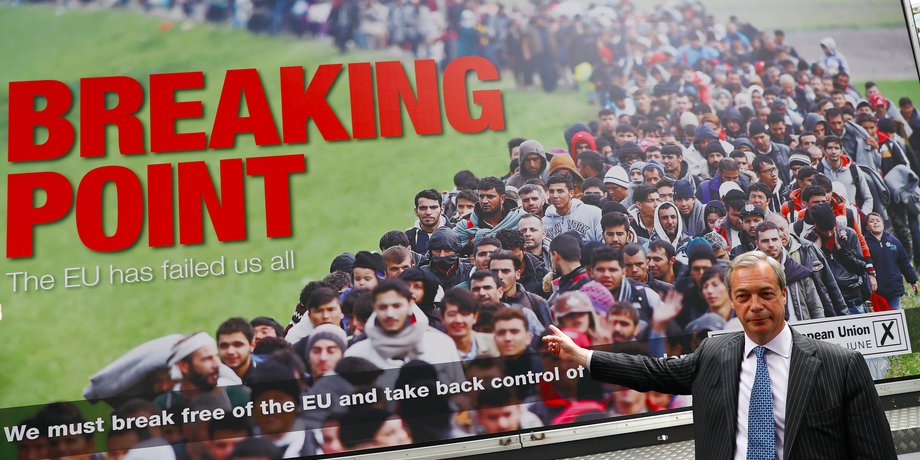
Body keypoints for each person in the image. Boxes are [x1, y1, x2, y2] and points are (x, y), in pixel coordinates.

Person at [543, 251, 896, 459]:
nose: (755, 306)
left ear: (784, 294)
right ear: (732, 301)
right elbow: (653, 372)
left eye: (765, 293)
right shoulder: (714, 352)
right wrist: (583, 356)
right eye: (743, 297)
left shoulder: (840, 365)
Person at [865, 212, 918, 310]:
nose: (875, 223)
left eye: (878, 220)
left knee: (896, 315)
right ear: (867, 227)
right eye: (871, 221)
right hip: (877, 291)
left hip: (894, 287)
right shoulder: (865, 243)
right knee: (882, 319)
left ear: (883, 224)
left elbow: (904, 263)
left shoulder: (894, 242)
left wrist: (913, 280)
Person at [440, 287, 499, 360]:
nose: (458, 320)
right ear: (442, 318)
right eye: (452, 314)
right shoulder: (436, 350)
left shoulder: (494, 343)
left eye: (464, 314)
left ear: (475, 317)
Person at [543, 174, 603, 243]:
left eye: (560, 191)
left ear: (571, 193)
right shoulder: (544, 222)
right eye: (551, 191)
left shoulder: (593, 213)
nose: (555, 195)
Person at [406, 189, 447, 254]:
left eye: (433, 207)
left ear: (442, 210)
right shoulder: (407, 237)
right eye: (423, 208)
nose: (428, 212)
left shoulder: (455, 232)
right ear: (416, 211)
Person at [215, 317, 256, 382]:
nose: (230, 351)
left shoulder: (267, 377)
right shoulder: (209, 379)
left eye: (238, 344)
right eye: (224, 346)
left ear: (252, 345)